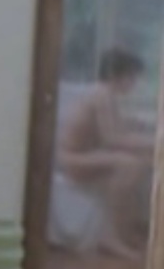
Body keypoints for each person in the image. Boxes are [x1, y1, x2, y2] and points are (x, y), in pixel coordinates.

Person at [57, 47, 156, 257]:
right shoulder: (101, 95)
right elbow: (112, 139)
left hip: (86, 155)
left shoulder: (107, 95)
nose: (134, 83)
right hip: (72, 158)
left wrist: (146, 135)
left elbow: (118, 130)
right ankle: (109, 236)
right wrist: (153, 143)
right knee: (130, 165)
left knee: (142, 161)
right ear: (114, 75)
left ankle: (124, 230)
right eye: (131, 77)